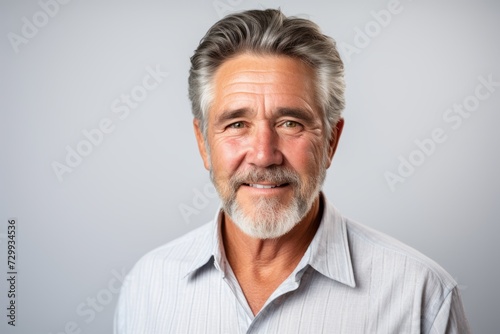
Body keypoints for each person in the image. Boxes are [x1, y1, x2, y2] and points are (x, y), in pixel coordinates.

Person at [114, 9, 470, 333]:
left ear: (330, 141)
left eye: (290, 123)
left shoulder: (421, 298)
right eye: (237, 124)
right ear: (203, 144)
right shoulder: (148, 285)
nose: (264, 155)